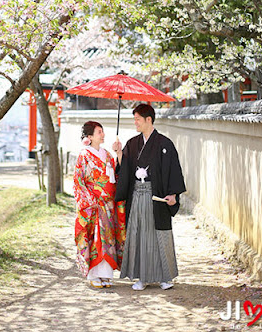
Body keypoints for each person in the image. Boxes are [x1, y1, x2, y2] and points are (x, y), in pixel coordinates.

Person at [113, 103, 186, 291]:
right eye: (134, 119)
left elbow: (173, 171)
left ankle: (165, 277)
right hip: (137, 195)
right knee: (139, 235)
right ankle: (141, 277)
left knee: (159, 236)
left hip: (157, 197)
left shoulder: (164, 144)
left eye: (138, 119)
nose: (135, 122)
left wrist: (173, 194)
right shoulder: (132, 143)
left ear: (148, 119)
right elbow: (125, 169)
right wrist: (120, 154)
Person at [73, 120, 126, 288]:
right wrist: (90, 200)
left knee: (108, 238)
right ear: (89, 136)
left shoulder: (108, 154)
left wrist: (118, 153)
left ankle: (106, 274)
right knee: (94, 238)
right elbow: (78, 181)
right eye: (99, 132)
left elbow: (117, 174)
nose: (102, 134)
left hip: (108, 204)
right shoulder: (84, 155)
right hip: (93, 204)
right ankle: (94, 274)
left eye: (102, 131)